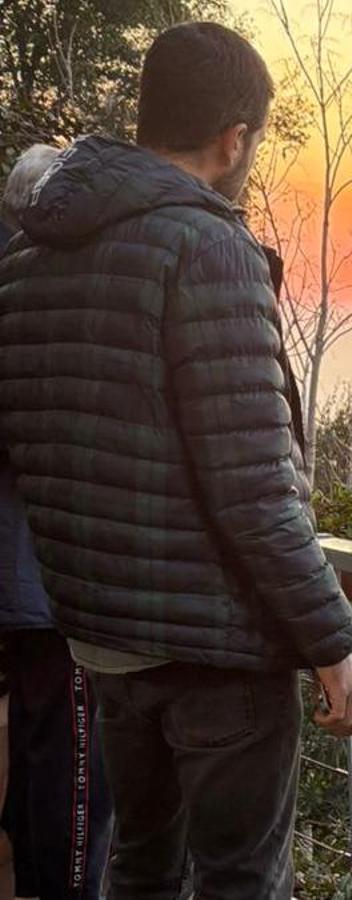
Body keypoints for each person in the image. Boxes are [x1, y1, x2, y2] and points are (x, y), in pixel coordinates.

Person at [0, 22, 352, 897]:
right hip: (218, 651)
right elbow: (252, 488)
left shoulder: (30, 254)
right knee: (238, 877)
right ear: (235, 138)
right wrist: (332, 643)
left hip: (103, 640)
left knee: (141, 864)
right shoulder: (207, 248)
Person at [0, 143, 114, 900]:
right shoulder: (59, 294)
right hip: (56, 579)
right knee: (76, 783)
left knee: (44, 765)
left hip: (26, 580)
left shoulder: (16, 282)